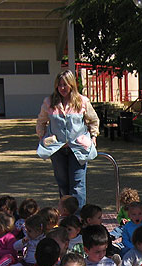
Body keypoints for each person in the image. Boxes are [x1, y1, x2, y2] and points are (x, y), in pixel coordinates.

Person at [36, 70, 99, 206]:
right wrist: (43, 137)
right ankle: (66, 215)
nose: (62, 88)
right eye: (59, 85)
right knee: (63, 184)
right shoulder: (49, 102)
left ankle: (78, 217)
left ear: (72, 85)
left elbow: (93, 120)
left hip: (78, 149)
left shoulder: (82, 101)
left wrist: (93, 136)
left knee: (77, 184)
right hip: (57, 148)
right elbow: (41, 121)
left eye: (65, 84)